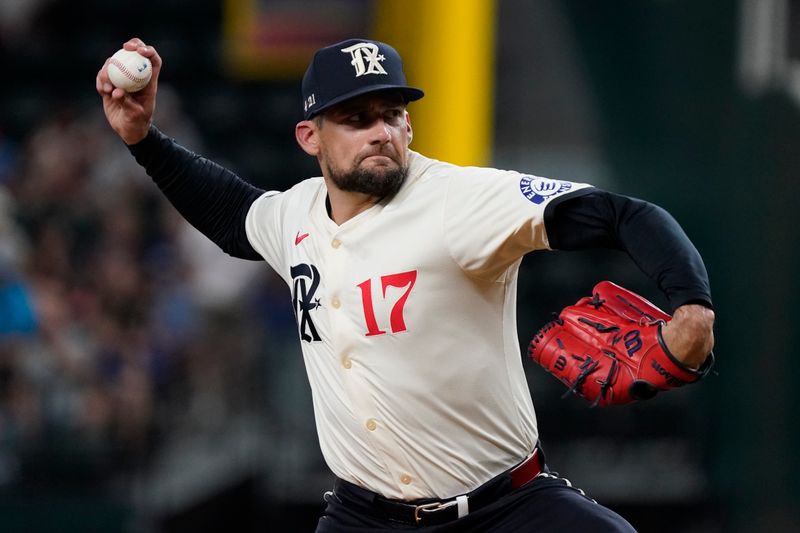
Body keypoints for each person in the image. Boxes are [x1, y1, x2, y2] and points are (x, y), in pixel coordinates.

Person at [96, 37, 715, 532]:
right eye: (356, 117)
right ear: (310, 136)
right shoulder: (296, 215)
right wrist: (143, 140)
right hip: (363, 516)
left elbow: (625, 215)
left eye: (392, 113)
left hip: (504, 509)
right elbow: (233, 215)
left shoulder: (461, 201)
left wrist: (692, 308)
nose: (380, 131)